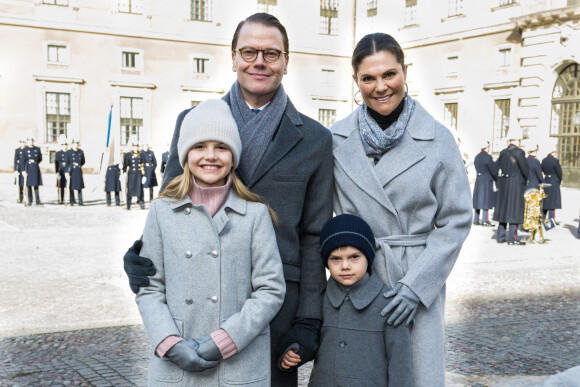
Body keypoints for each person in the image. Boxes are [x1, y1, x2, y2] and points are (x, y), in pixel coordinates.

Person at [123, 13, 333, 386]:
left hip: (274, 306)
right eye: (249, 51)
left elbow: (314, 235)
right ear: (233, 57)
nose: (259, 62)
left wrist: (308, 320)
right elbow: (172, 202)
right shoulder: (193, 122)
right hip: (193, 299)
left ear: (287, 61)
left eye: (271, 53)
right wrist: (141, 254)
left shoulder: (315, 139)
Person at [329, 33, 472, 386]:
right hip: (359, 280)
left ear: (405, 72)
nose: (380, 86)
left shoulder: (437, 139)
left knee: (417, 374)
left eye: (389, 74)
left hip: (416, 277)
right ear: (355, 81)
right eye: (369, 78)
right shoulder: (335, 139)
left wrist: (416, 286)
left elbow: (456, 220)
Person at [135, 99, 286, 386]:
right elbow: (149, 287)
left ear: (233, 155)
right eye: (199, 147)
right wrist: (168, 341)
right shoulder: (162, 211)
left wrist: (227, 339)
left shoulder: (254, 214)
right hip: (178, 361)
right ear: (185, 154)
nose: (210, 156)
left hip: (238, 362)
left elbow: (270, 289)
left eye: (221, 147)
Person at [281, 214, 413, 386]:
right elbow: (308, 336)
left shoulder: (388, 303)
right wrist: (294, 351)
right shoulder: (320, 297)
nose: (345, 266)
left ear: (368, 256)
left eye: (354, 257)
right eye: (336, 258)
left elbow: (400, 365)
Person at [493, 132, 529, 245]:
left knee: (504, 210)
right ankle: (512, 238)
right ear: (517, 140)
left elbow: (496, 167)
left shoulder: (503, 152)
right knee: (514, 210)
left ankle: (500, 236)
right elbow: (525, 169)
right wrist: (526, 179)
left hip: (504, 183)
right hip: (516, 184)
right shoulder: (520, 152)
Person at [472, 142, 497, 226]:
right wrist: (496, 178)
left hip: (479, 179)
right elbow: (493, 169)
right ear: (486, 147)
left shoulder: (477, 157)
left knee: (478, 200)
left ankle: (475, 219)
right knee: (486, 201)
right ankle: (485, 220)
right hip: (486, 179)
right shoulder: (488, 157)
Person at [123, 139, 145, 210]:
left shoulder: (141, 155)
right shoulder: (128, 155)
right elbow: (125, 165)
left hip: (139, 175)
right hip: (131, 175)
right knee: (130, 190)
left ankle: (142, 204)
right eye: (134, 147)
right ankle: (128, 205)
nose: (136, 148)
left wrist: (144, 175)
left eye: (137, 147)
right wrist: (124, 173)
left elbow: (143, 165)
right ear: (132, 147)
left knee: (140, 190)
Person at [20, 136, 43, 206]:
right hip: (28, 168)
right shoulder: (24, 150)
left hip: (35, 167)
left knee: (36, 185)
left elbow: (40, 158)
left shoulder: (37, 149)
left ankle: (37, 200)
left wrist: (35, 163)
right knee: (29, 185)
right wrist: (23, 170)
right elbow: (22, 161)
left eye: (32, 140)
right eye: (29, 140)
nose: (31, 142)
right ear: (27, 141)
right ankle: (30, 200)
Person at [541, 150, 562, 222]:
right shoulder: (555, 161)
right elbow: (559, 172)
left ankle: (543, 218)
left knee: (545, 201)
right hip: (554, 181)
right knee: (552, 202)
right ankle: (551, 219)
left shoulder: (543, 160)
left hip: (546, 179)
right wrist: (558, 181)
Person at [66, 139, 86, 206]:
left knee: (79, 186)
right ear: (72, 144)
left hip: (78, 170)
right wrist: (66, 172)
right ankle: (72, 201)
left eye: (77, 143)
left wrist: (79, 165)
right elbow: (67, 162)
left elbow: (83, 161)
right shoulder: (69, 152)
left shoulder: (81, 152)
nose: (76, 145)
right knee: (71, 186)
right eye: (74, 143)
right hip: (72, 170)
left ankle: (80, 201)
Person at [54, 137, 69, 204]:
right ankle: (61, 199)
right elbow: (56, 164)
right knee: (61, 187)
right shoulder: (58, 153)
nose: (64, 146)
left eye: (65, 145)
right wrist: (57, 172)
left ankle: (70, 199)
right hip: (61, 171)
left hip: (68, 171)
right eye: (63, 145)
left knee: (69, 186)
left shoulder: (69, 152)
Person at [13, 139, 26, 204]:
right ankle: (20, 198)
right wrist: (15, 170)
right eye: (21, 142)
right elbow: (15, 161)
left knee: (26, 184)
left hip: (25, 169)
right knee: (20, 185)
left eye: (24, 142)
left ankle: (26, 198)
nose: (22, 143)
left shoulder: (26, 150)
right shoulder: (17, 150)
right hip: (19, 169)